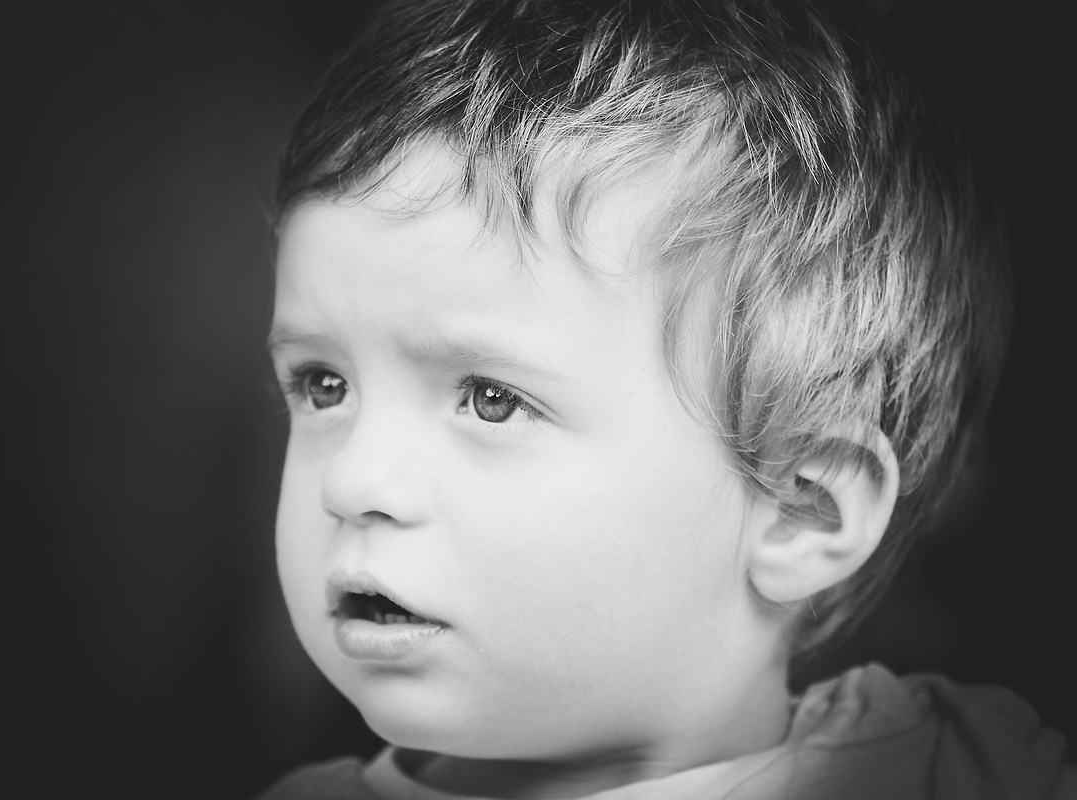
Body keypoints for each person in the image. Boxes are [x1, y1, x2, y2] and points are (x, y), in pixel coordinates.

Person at [259, 0, 1074, 797]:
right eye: (324, 386)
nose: (351, 481)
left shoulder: (975, 776)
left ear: (799, 509)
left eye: (493, 399)